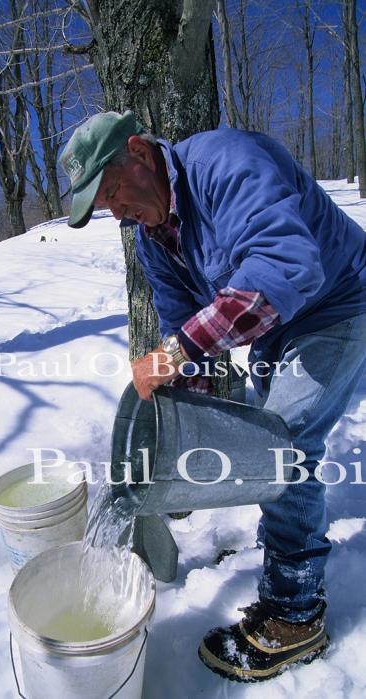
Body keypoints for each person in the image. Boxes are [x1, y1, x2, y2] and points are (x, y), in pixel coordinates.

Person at [59, 110, 366, 682]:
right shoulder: (154, 240)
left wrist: (173, 354)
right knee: (265, 442)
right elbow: (187, 324)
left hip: (335, 304)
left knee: (285, 450)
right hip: (276, 326)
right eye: (105, 207)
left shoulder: (228, 162)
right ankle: (281, 537)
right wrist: (182, 412)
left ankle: (296, 617)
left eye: (114, 190)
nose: (117, 210)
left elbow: (286, 266)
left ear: (139, 152)